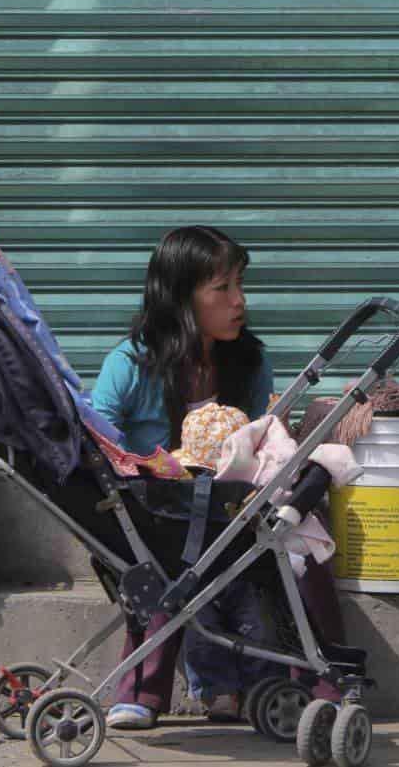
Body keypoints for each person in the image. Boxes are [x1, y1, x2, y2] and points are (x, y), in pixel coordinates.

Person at [91, 225, 279, 729]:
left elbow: (261, 437)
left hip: (225, 506)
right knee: (168, 565)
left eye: (240, 285)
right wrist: (146, 465)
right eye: (223, 288)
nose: (239, 301)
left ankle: (259, 685)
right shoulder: (131, 364)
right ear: (180, 298)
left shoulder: (249, 362)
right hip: (153, 510)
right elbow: (96, 436)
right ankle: (147, 690)